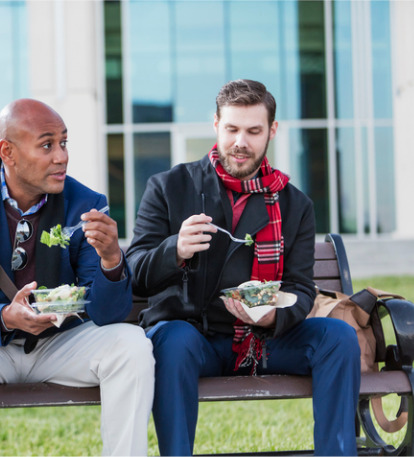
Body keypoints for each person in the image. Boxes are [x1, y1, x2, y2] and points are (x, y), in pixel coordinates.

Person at [126, 79, 360, 456]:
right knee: (172, 340)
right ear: (216, 124)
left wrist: (272, 319)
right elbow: (135, 272)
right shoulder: (169, 187)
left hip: (264, 341)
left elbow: (301, 288)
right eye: (232, 128)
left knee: (338, 339)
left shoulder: (294, 204)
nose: (241, 142)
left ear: (272, 131)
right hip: (195, 340)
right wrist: (176, 249)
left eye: (253, 131)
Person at [0, 98, 155, 456]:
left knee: (132, 345)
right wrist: (1, 316)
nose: (61, 156)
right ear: (7, 152)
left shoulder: (86, 204)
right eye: (47, 145)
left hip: (61, 345)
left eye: (64, 142)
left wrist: (111, 260)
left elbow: (109, 314)